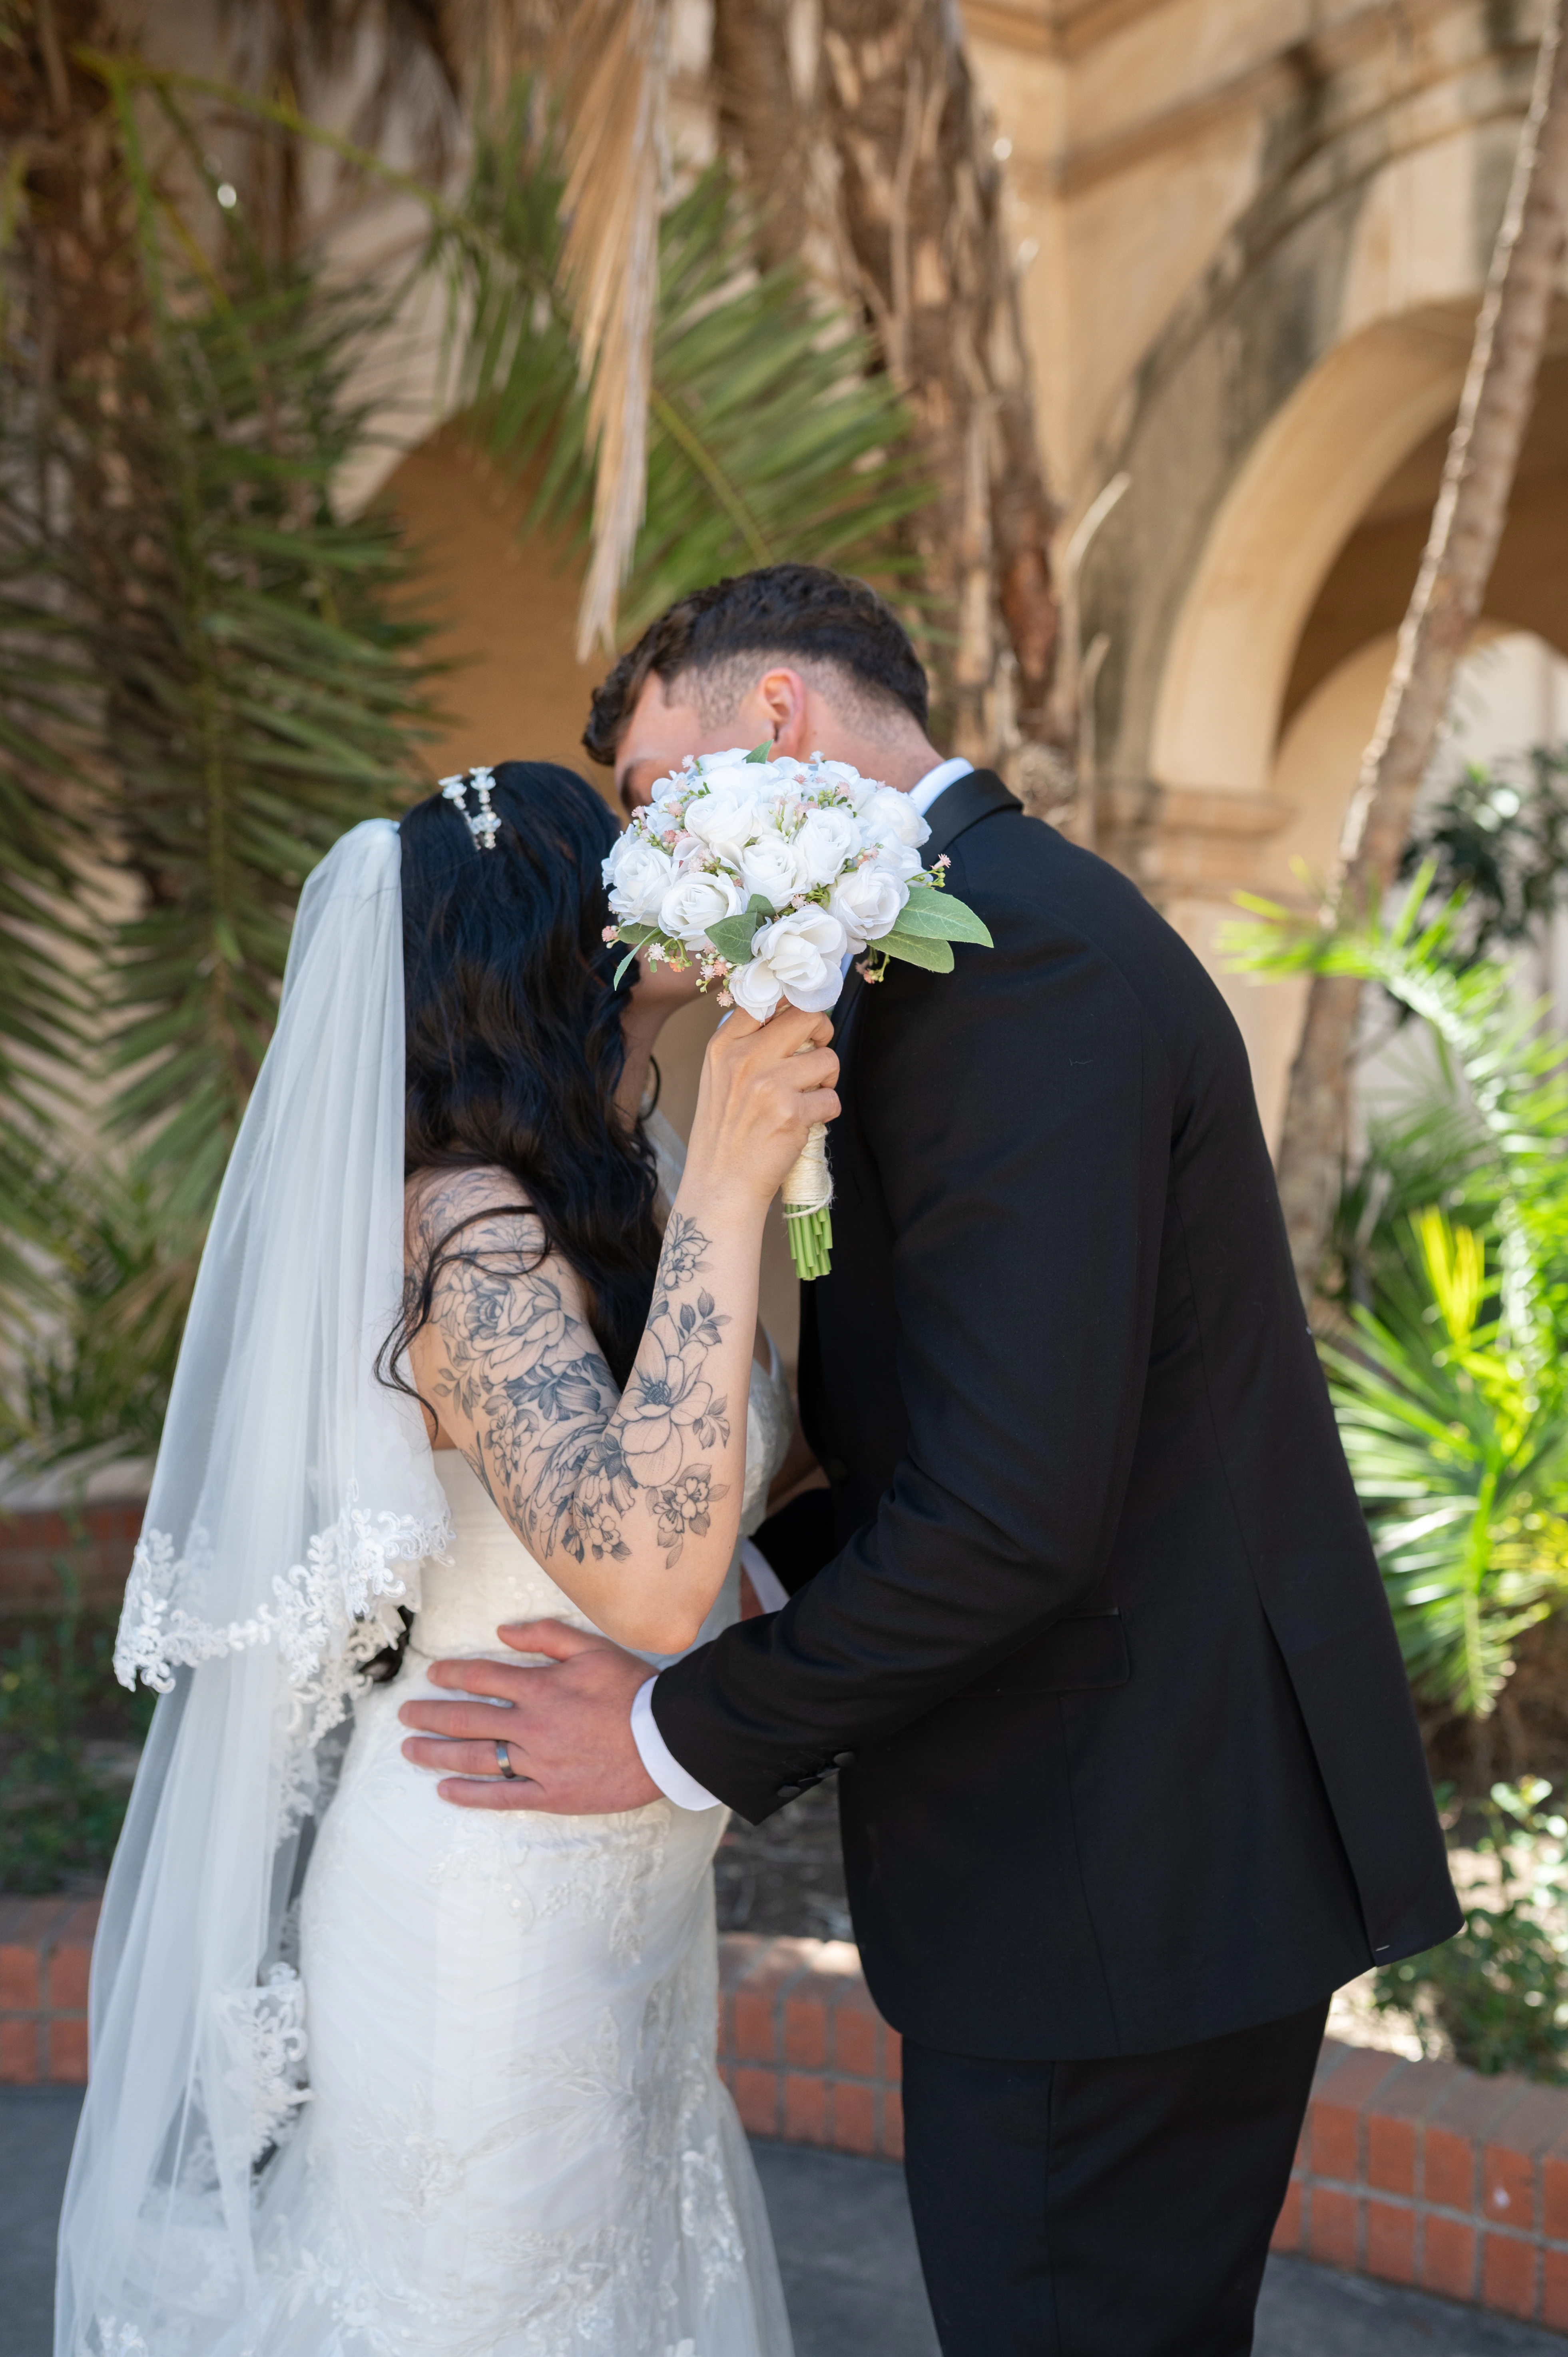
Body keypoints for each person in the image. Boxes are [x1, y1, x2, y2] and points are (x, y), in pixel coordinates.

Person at [399, 566, 1463, 2357]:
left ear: (780, 722)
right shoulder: (940, 951)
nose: (638, 872)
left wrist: (675, 1732)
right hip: (1112, 1847)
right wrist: (742, 1590)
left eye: (658, 794)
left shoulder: (1014, 967)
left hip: (1114, 1866)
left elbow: (1006, 1512)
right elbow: (956, 1435)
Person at [56, 764, 825, 2356]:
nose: (665, 901)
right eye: (628, 884)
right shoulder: (470, 1237)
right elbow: (647, 1576)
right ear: (561, 954)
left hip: (624, 1894)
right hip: (482, 1916)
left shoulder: (621, 1182)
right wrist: (741, 1179)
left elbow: (740, 1480)